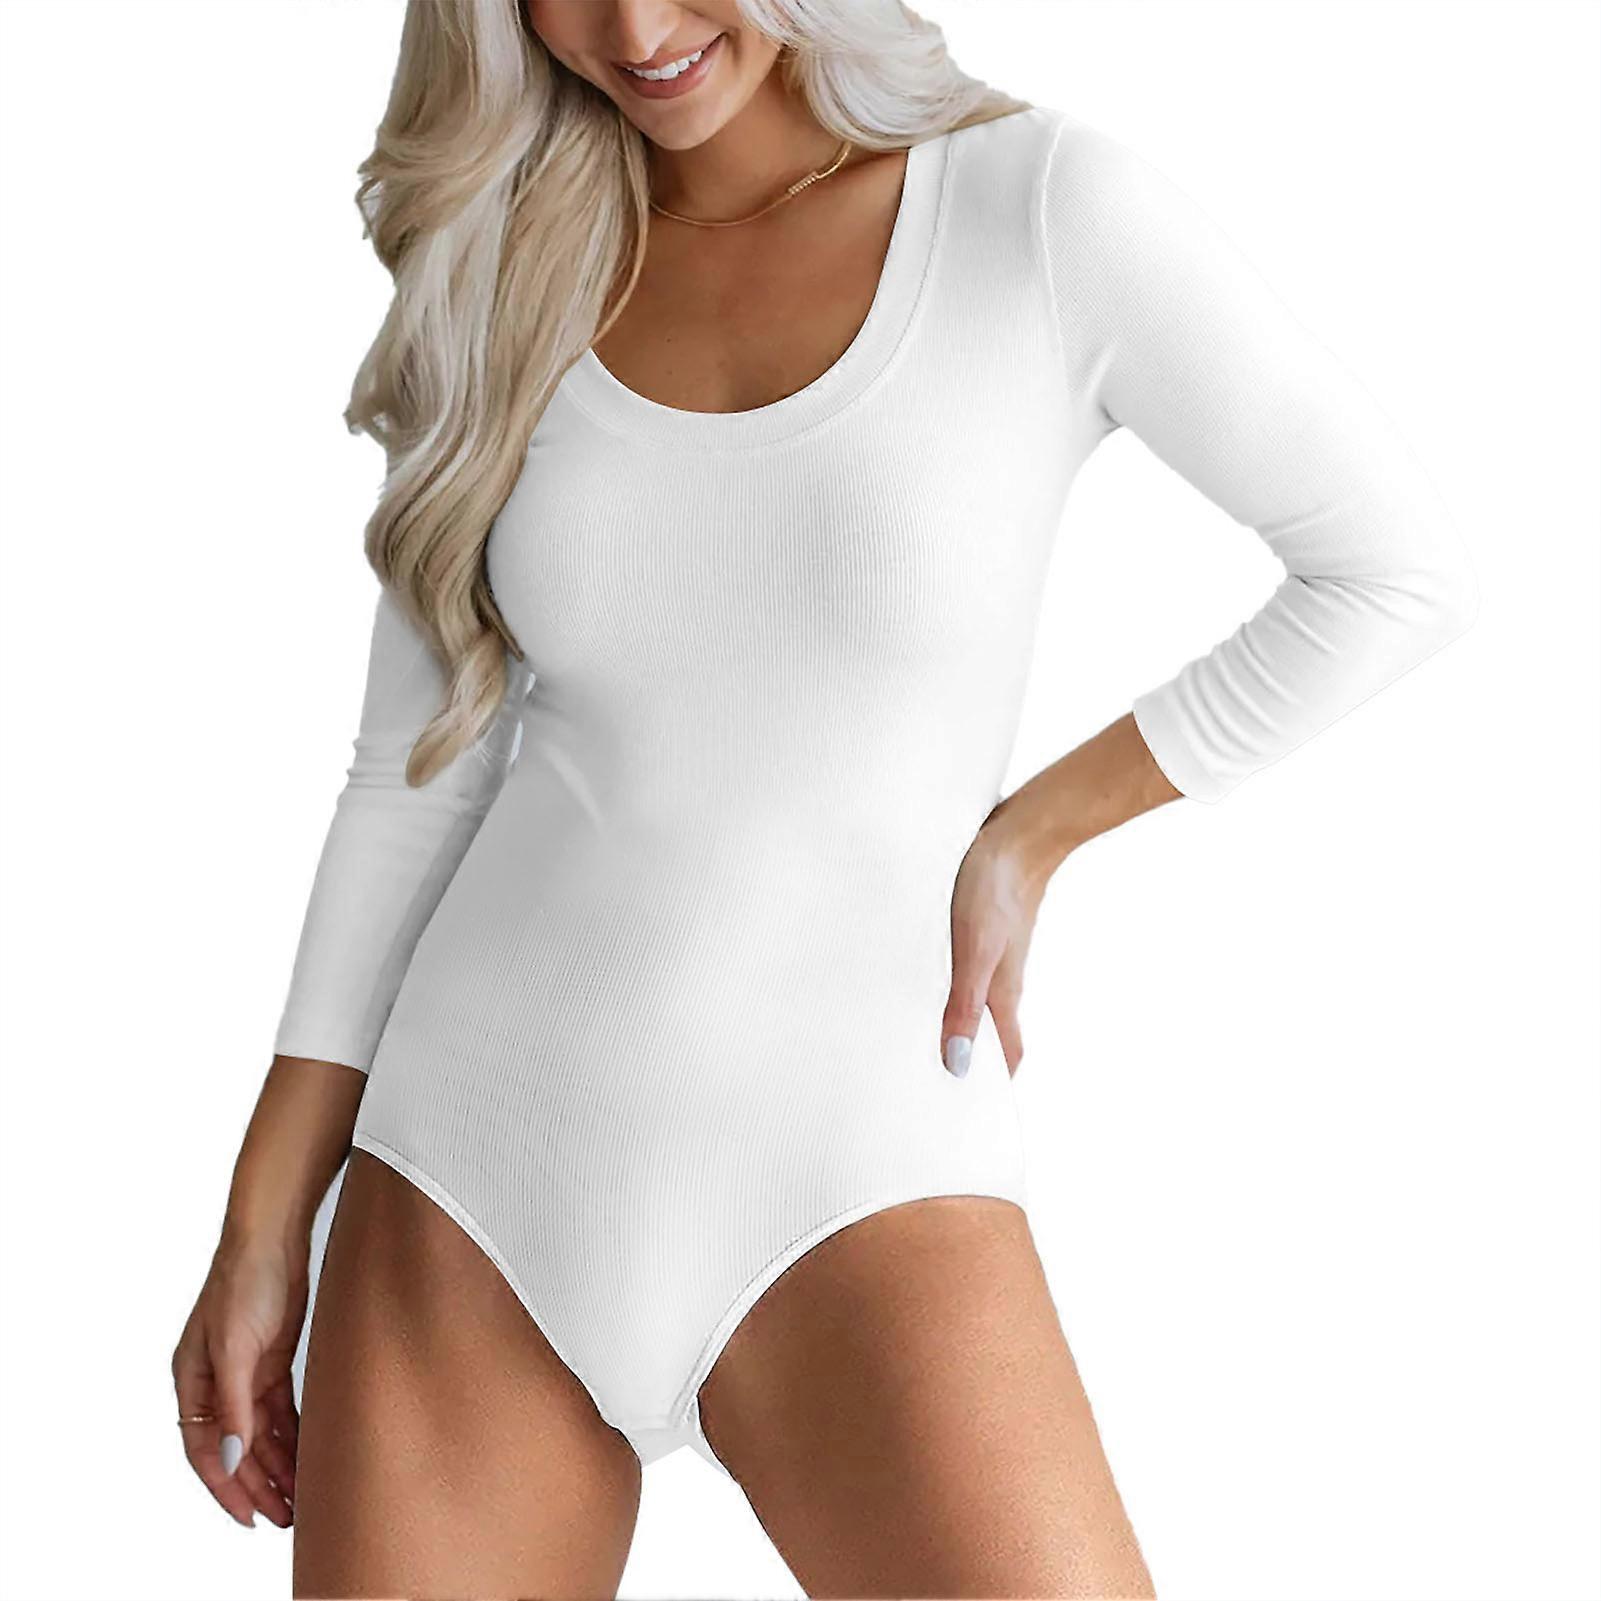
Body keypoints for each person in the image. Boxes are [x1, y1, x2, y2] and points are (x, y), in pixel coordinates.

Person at [170, 1, 1479, 1595]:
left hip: (856, 1166)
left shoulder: (1036, 210)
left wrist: (1036, 830)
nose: (635, 27)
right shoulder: (504, 257)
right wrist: (261, 1223)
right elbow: (408, 779)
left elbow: (1390, 573)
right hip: (470, 1171)